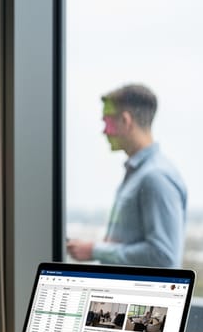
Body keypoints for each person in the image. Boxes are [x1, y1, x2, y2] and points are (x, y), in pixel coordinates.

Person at [66, 84, 187, 267]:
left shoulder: (156, 177)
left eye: (106, 121)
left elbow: (164, 256)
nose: (104, 131)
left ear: (125, 120)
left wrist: (94, 250)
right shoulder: (138, 174)